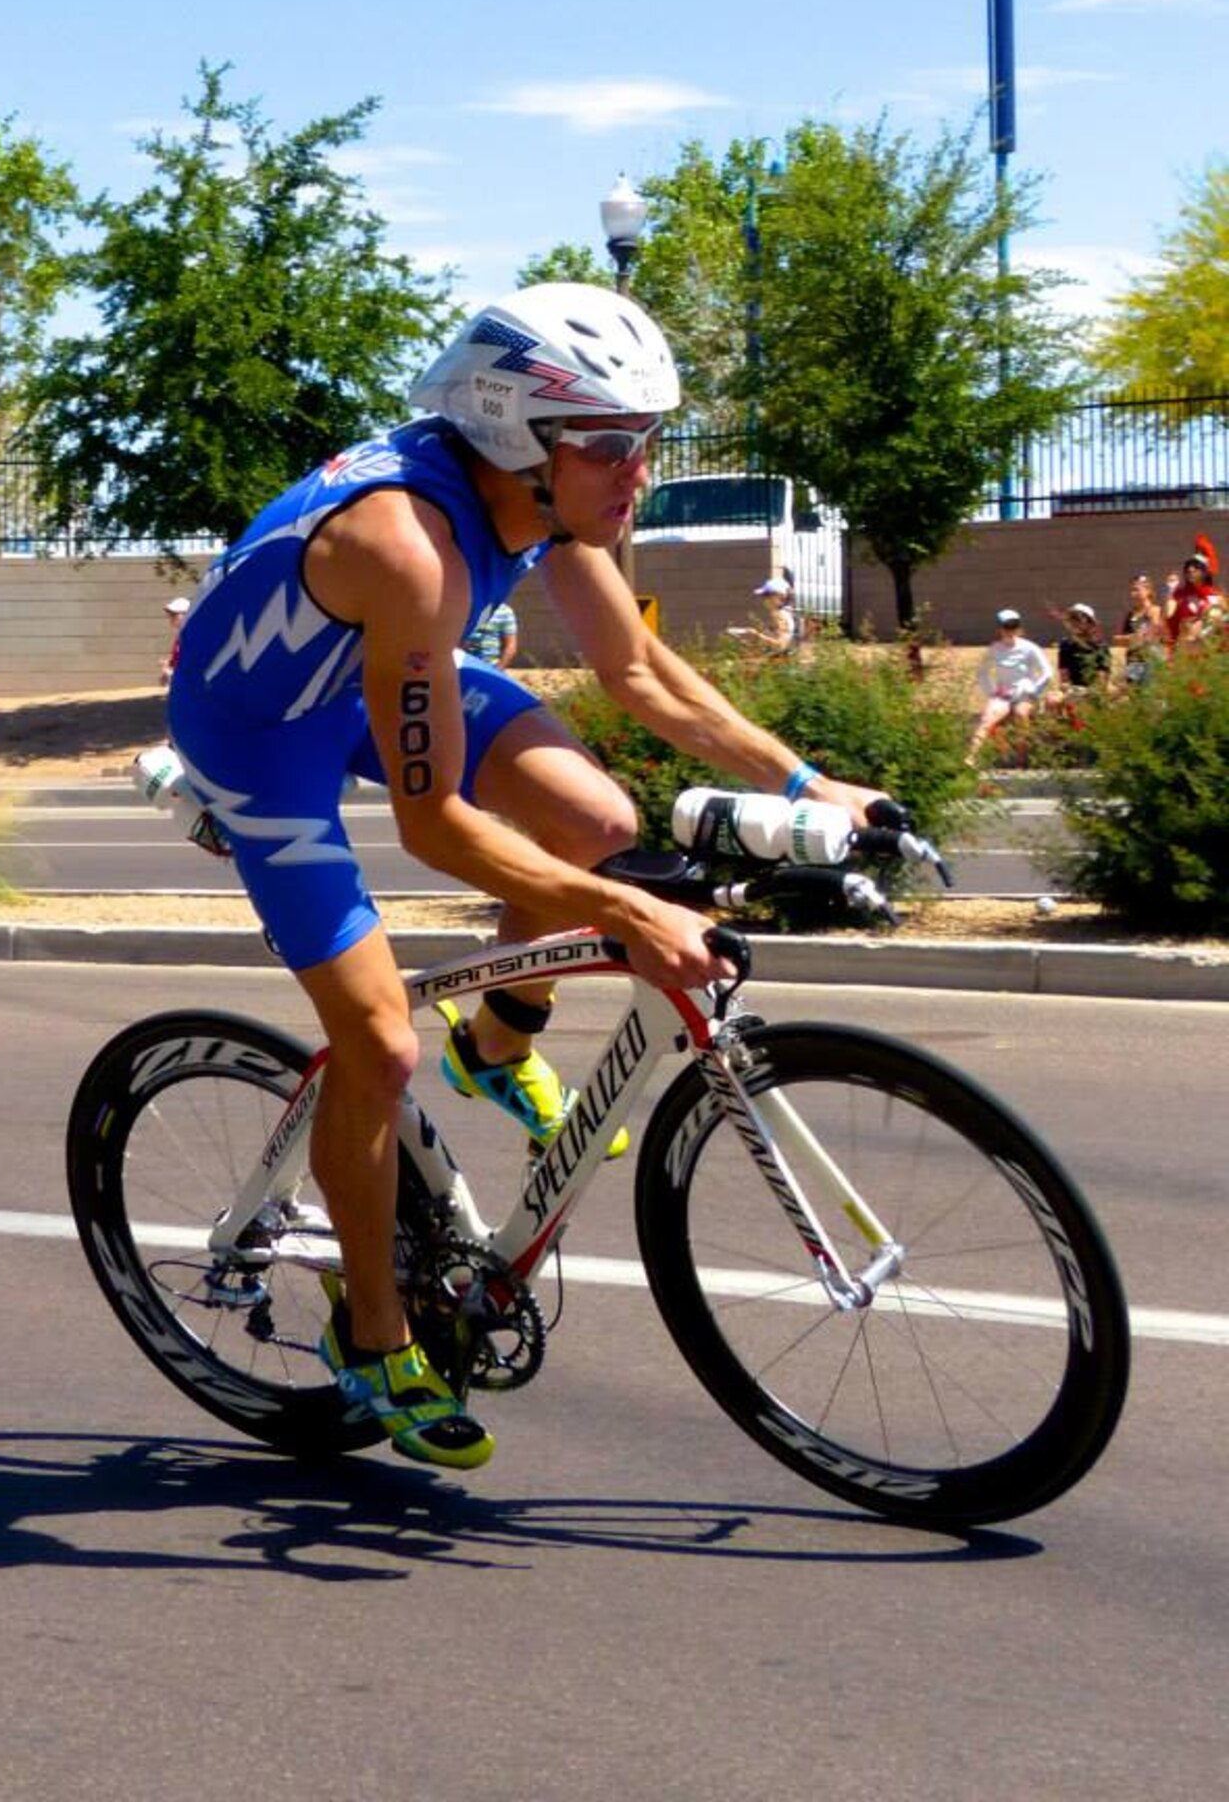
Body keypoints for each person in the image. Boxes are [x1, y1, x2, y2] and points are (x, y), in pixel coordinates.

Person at [167, 281, 889, 1475]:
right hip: (258, 736)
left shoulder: (551, 503)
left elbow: (641, 673)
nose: (638, 471)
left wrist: (809, 783)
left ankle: (497, 1042)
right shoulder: (408, 548)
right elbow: (436, 826)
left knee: (597, 815)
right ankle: (373, 1327)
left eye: (649, 440)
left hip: (368, 672)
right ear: (517, 434)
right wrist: (632, 913)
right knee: (379, 1043)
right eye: (613, 443)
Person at [967, 608, 1053, 763]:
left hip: (1025, 694)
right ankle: (971, 757)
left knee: (1021, 714)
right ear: (999, 629)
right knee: (987, 718)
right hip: (1003, 694)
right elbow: (982, 673)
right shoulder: (994, 649)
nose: (1010, 631)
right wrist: (992, 692)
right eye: (1006, 626)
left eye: (1014, 626)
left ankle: (1022, 760)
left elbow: (1047, 672)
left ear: (1019, 628)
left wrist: (1034, 690)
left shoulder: (1030, 648)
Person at [1164, 538, 1225, 650]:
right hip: (1184, 650)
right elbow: (1168, 618)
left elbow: (1224, 624)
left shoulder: (1216, 596)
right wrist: (1170, 592)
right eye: (1188, 567)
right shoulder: (1180, 594)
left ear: (1205, 572)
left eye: (1196, 567)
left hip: (1208, 651)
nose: (1191, 570)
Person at [1114, 573, 1165, 688]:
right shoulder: (1130, 614)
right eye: (1132, 590)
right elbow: (1118, 640)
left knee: (1151, 698)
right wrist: (1134, 638)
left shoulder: (1154, 610)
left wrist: (1132, 639)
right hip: (1133, 663)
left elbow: (1150, 637)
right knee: (1135, 698)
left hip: (1150, 662)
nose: (1133, 594)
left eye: (1137, 590)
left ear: (1148, 590)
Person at [1052, 603, 1111, 699]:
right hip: (1073, 690)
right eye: (1072, 619)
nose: (1074, 623)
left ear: (1090, 623)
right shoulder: (1066, 645)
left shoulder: (1100, 646)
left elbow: (1102, 680)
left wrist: (1085, 692)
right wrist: (1069, 688)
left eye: (1078, 619)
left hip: (1094, 691)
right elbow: (1064, 678)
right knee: (1052, 699)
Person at [731, 574, 799, 654]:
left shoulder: (781, 616)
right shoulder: (782, 614)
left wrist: (755, 635)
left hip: (777, 663)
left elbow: (780, 645)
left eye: (767, 595)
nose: (763, 599)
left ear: (780, 596)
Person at [462, 599, 518, 668]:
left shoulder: (504, 611)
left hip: (492, 665)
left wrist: (498, 669)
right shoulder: (464, 608)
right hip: (466, 664)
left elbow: (510, 645)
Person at [159, 596, 190, 689]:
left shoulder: (192, 636)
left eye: (174, 614)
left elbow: (192, 666)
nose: (170, 617)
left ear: (186, 615)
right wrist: (168, 665)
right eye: (170, 614)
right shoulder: (181, 636)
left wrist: (170, 673)